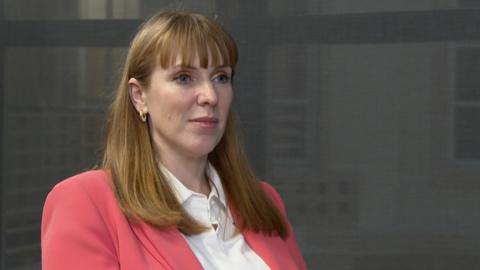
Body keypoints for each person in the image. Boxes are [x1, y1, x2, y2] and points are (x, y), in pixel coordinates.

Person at [41, 11, 307, 270]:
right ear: (139, 96)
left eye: (221, 77)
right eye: (184, 78)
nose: (210, 96)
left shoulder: (263, 201)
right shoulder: (86, 203)